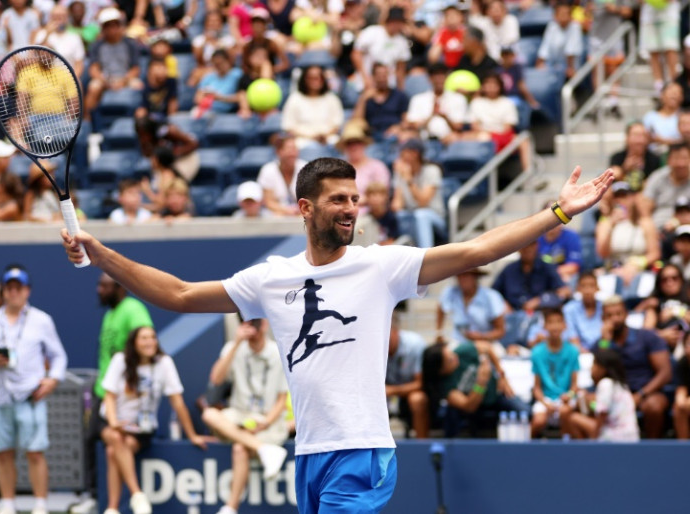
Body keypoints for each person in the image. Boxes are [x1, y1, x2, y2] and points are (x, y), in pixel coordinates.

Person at [61, 158, 613, 512]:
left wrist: (559, 211)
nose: (352, 208)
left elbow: (477, 250)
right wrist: (101, 252)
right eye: (339, 200)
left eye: (355, 199)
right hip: (310, 453)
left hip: (363, 449)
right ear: (306, 208)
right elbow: (178, 295)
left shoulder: (381, 266)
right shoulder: (271, 278)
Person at [0, 266, 68, 514]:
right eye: (9, 288)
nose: (13, 292)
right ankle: (8, 503)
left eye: (18, 287)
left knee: (35, 453)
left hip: (30, 396)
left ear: (27, 291)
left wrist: (52, 380)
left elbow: (58, 357)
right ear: (3, 291)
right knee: (2, 454)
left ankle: (40, 504)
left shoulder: (42, 320)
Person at [100, 326, 207, 514]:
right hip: (111, 423)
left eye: (152, 337)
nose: (149, 342)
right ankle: (137, 495)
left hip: (141, 428)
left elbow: (178, 402)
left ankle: (112, 508)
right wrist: (114, 421)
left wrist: (192, 435)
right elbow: (109, 397)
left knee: (112, 452)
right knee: (116, 438)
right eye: (143, 338)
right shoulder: (120, 360)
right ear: (134, 342)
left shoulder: (164, 363)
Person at [202, 318, 289, 514]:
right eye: (248, 324)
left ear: (265, 324)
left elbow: (281, 401)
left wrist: (265, 423)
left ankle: (230, 508)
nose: (252, 331)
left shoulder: (278, 352)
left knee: (240, 449)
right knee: (209, 414)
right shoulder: (234, 347)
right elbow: (216, 379)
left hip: (269, 420)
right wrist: (236, 343)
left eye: (256, 325)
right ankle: (264, 449)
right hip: (239, 415)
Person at [85, 273, 153, 501]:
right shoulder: (110, 314)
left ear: (119, 287)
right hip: (101, 392)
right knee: (92, 443)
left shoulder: (132, 308)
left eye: (104, 286)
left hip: (120, 397)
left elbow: (145, 340)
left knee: (113, 446)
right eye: (99, 285)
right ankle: (95, 497)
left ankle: (115, 499)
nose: (99, 290)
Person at [597, 296, 671, 438]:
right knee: (587, 403)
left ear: (626, 314)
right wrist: (605, 342)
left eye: (618, 314)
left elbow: (665, 373)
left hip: (646, 393)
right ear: (602, 318)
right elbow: (596, 376)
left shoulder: (646, 336)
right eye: (609, 315)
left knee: (654, 406)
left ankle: (651, 449)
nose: (615, 319)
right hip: (614, 397)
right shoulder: (602, 343)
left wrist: (640, 395)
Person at [427, 338, 526, 437]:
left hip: (495, 393)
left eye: (451, 353)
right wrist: (481, 382)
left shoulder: (461, 352)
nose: (454, 356)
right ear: (440, 370)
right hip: (474, 408)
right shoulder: (444, 386)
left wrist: (501, 376)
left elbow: (487, 347)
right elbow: (469, 406)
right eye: (449, 360)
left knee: (524, 411)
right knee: (451, 413)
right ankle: (451, 447)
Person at [561, 348, 639, 441]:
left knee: (571, 418)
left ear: (602, 368)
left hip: (614, 437)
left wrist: (594, 438)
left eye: (594, 364)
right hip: (631, 437)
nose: (591, 368)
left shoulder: (605, 383)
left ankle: (585, 451)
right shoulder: (621, 385)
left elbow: (602, 412)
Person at [596, 181, 660, 285]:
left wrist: (637, 263)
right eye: (617, 196)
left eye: (624, 196)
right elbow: (603, 254)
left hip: (640, 271)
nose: (620, 200)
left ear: (632, 198)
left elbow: (654, 254)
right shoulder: (604, 223)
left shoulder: (645, 222)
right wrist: (611, 226)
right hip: (613, 270)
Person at [84, 8, 143, 119]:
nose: (112, 29)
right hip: (105, 79)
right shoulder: (97, 45)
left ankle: (138, 122)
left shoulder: (130, 44)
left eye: (114, 25)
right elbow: (94, 69)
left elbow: (135, 69)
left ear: (119, 26)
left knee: (138, 86)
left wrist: (123, 80)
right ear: (103, 28)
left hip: (126, 78)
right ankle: (88, 123)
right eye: (108, 26)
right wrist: (104, 81)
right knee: (93, 87)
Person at [530, 308, 579, 438]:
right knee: (538, 422)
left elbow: (574, 386)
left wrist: (569, 395)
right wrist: (545, 404)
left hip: (566, 399)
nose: (555, 326)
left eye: (558, 321)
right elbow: (537, 388)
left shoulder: (573, 351)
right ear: (545, 326)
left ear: (565, 325)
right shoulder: (536, 352)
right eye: (551, 322)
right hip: (545, 400)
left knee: (565, 413)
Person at [390, 138, 445, 248]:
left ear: (414, 153)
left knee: (421, 214)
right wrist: (400, 178)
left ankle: (426, 254)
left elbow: (423, 203)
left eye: (403, 151)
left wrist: (409, 180)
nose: (400, 155)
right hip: (411, 214)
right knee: (400, 215)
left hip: (434, 215)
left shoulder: (432, 170)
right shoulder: (401, 172)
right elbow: (397, 206)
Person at [436, 267, 506, 350]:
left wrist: (482, 336)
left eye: (466, 275)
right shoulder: (450, 292)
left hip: (486, 343)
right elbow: (440, 308)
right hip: (458, 342)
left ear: (475, 276)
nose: (462, 278)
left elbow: (500, 331)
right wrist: (439, 333)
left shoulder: (491, 296)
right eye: (459, 275)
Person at [386, 312, 428, 439]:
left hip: (409, 392)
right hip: (384, 394)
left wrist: (391, 390)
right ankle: (369, 451)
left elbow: (420, 384)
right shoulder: (370, 346)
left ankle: (422, 447)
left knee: (417, 399)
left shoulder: (415, 344)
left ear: (395, 331)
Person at [281, 65, 344, 148]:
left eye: (318, 78)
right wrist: (312, 137)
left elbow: (337, 125)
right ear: (304, 79)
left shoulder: (332, 98)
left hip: (328, 139)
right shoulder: (295, 99)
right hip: (302, 141)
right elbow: (289, 127)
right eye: (311, 78)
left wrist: (324, 136)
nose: (315, 81)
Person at [404, 62, 468, 143]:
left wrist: (444, 116)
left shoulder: (458, 98)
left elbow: (459, 127)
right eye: (436, 76)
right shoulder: (418, 99)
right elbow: (413, 125)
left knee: (456, 137)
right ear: (430, 78)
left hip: (449, 139)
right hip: (423, 139)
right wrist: (431, 115)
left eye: (442, 76)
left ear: (447, 77)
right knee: (406, 137)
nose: (439, 80)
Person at [352, 6, 411, 91]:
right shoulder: (372, 32)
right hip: (366, 82)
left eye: (400, 22)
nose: (397, 25)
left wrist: (401, 90)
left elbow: (400, 69)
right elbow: (356, 54)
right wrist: (365, 77)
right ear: (388, 21)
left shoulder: (402, 42)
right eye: (395, 21)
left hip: (389, 86)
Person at [638, 263, 689, 356]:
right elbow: (646, 332)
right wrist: (662, 335)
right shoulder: (655, 303)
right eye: (664, 280)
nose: (670, 283)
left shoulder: (688, 299)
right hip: (665, 349)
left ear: (682, 280)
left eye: (674, 278)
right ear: (659, 283)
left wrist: (675, 311)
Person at [337, 121, 390, 208]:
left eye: (357, 142)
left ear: (363, 144)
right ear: (344, 147)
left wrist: (355, 202)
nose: (354, 146)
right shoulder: (338, 169)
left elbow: (381, 194)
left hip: (370, 213)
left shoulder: (377, 167)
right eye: (349, 143)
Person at [352, 62, 409, 141]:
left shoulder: (399, 96)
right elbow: (356, 120)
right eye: (379, 75)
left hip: (395, 135)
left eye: (384, 75)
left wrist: (398, 128)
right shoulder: (367, 98)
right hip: (372, 136)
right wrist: (363, 99)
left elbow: (406, 120)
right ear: (373, 77)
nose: (382, 78)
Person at [640, 142, 690, 230]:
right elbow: (646, 207)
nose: (681, 163)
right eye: (676, 158)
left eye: (684, 158)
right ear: (668, 160)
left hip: (687, 226)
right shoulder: (657, 177)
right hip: (660, 227)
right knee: (646, 223)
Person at [257, 133, 306, 216]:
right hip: (276, 214)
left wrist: (299, 211)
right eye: (289, 149)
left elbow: (310, 198)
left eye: (294, 149)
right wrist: (286, 211)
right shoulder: (268, 170)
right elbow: (268, 202)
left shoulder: (305, 168)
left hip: (301, 213)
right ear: (278, 152)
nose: (292, 153)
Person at [31, 4, 85, 78]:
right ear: (50, 17)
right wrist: (47, 34)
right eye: (55, 16)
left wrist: (73, 80)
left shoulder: (75, 37)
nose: (59, 19)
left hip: (67, 79)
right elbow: (34, 56)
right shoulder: (42, 34)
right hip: (43, 79)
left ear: (67, 18)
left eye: (62, 16)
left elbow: (79, 64)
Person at [640, 0, 680, 94]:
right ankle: (659, 86)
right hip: (649, 16)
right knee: (652, 50)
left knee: (670, 49)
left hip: (669, 15)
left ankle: (674, 86)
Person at [535, 1, 583, 79]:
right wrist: (540, 64)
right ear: (555, 15)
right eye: (561, 14)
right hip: (552, 67)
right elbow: (544, 47)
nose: (564, 16)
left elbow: (570, 52)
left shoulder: (575, 27)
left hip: (570, 67)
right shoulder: (552, 26)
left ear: (570, 15)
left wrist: (570, 69)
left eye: (566, 14)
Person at [608, 122, 661, 192]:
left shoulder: (654, 159)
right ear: (627, 138)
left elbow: (654, 182)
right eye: (636, 135)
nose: (640, 140)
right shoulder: (617, 157)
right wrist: (625, 168)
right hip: (620, 194)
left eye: (644, 136)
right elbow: (613, 176)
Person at [537, 203, 582, 285]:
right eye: (549, 218)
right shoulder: (535, 238)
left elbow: (573, 267)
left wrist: (550, 273)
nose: (552, 222)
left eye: (556, 218)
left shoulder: (571, 236)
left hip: (563, 277)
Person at [194, 48, 243, 117]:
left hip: (231, 113)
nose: (219, 67)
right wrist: (204, 99)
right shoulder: (208, 77)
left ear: (228, 61)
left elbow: (242, 97)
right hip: (208, 112)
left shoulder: (238, 74)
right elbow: (197, 98)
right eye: (216, 64)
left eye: (221, 63)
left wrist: (220, 98)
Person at [563, 272, 603, 351]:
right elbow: (572, 337)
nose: (588, 290)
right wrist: (582, 352)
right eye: (583, 286)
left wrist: (601, 351)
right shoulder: (569, 309)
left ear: (598, 288)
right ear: (578, 288)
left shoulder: (605, 307)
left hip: (602, 351)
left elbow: (607, 337)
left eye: (591, 285)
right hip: (578, 352)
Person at [642, 82, 683, 148]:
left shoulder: (685, 118)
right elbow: (645, 137)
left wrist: (662, 140)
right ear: (662, 95)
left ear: (682, 97)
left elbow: (686, 141)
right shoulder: (649, 117)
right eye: (671, 92)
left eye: (677, 92)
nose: (674, 95)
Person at [427, 4, 465, 68]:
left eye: (454, 15)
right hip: (446, 68)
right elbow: (432, 57)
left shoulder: (466, 32)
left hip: (464, 66)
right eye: (448, 15)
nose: (451, 18)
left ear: (461, 17)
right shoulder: (442, 32)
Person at [673, 332, 690, 438]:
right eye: (689, 343)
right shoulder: (682, 364)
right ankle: (684, 447)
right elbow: (681, 389)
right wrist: (681, 401)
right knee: (678, 408)